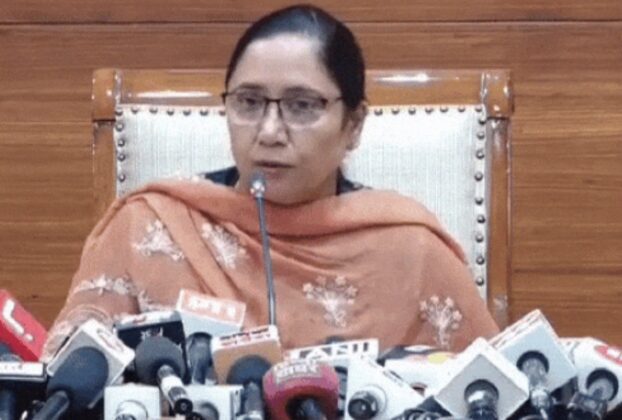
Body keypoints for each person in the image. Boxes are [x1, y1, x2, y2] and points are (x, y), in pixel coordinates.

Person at [42, 5, 498, 361]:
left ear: (354, 125)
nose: (269, 131)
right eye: (249, 102)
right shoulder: (153, 226)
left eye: (302, 106)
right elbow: (70, 378)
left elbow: (490, 391)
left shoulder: (410, 250)